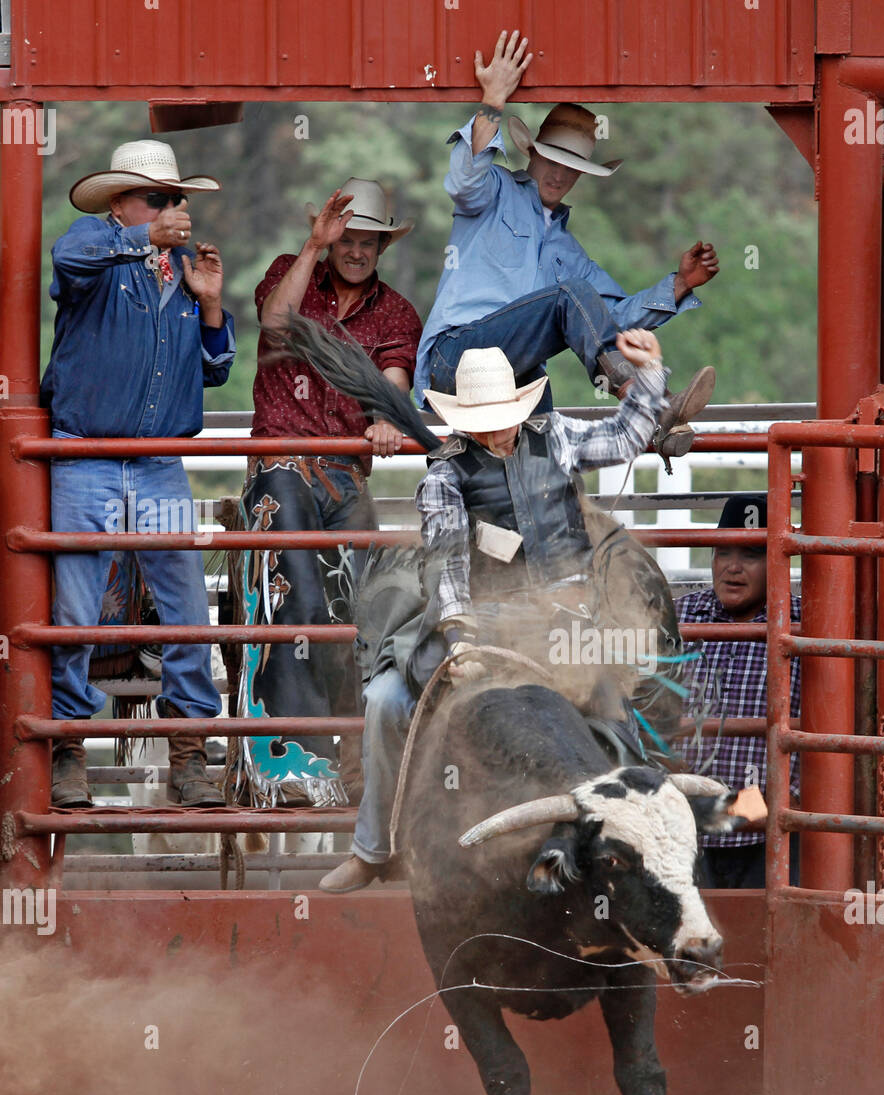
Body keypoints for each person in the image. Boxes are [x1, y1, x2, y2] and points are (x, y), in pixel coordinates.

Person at [318, 326, 675, 893]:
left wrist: (650, 374)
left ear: (518, 405)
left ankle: (643, 820)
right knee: (385, 700)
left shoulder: (554, 436)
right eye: (479, 416)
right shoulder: (444, 477)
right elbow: (448, 564)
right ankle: (375, 846)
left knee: (618, 706)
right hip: (482, 620)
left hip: (565, 624)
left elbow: (622, 439)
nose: (493, 425)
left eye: (500, 412)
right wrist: (459, 638)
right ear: (460, 419)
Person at [414, 29, 719, 460]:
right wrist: (494, 100)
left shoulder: (569, 253)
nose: (558, 175)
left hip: (513, 376)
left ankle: (560, 495)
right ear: (532, 154)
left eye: (571, 168)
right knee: (570, 297)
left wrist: (681, 284)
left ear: (581, 175)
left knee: (543, 456)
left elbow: (612, 320)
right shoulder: (495, 191)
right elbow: (464, 180)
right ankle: (647, 403)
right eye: (552, 161)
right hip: (455, 359)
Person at [42, 139, 236, 809]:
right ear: (121, 203)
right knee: (73, 607)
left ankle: (189, 756)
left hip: (156, 460)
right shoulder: (92, 246)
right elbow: (66, 262)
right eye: (158, 199)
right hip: (86, 454)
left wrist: (210, 306)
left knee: (185, 605)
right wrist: (145, 237)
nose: (172, 210)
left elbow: (213, 370)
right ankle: (67, 748)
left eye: (175, 199)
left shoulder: (182, 271)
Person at [239, 179, 423, 806]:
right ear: (332, 235)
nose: (357, 250)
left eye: (369, 241)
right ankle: (293, 761)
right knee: (303, 603)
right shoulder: (290, 273)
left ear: (381, 247)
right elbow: (274, 322)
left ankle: (356, 762)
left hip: (345, 473)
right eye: (348, 238)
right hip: (281, 460)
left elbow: (393, 387)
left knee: (365, 615)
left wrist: (386, 420)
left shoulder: (397, 313)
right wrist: (311, 248)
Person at [674, 495, 801, 889]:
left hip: (773, 835)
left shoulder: (805, 629)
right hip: (682, 832)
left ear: (779, 561)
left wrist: (774, 810)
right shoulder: (676, 618)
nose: (732, 567)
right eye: (722, 552)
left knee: (770, 944)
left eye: (750, 554)